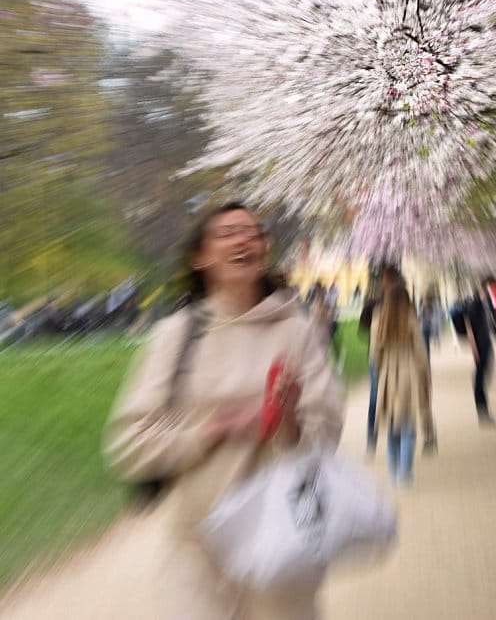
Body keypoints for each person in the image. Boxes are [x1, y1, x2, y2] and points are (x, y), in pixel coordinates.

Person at [105, 202, 343, 620]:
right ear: (200, 258)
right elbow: (130, 443)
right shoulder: (176, 336)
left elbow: (327, 431)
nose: (244, 239)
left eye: (253, 232)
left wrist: (287, 423)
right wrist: (216, 427)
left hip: (282, 534)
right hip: (197, 544)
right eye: (228, 232)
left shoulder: (296, 330)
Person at [372, 285, 432, 487]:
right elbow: (421, 353)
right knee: (408, 426)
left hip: (388, 375)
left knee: (392, 426)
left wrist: (382, 371)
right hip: (409, 375)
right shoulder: (411, 320)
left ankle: (393, 470)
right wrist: (425, 375)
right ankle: (405, 473)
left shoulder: (378, 321)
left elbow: (375, 355)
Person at [359, 263, 402, 453]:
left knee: (393, 397)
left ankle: (393, 437)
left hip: (395, 357)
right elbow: (363, 328)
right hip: (377, 358)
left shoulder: (401, 303)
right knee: (376, 398)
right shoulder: (373, 303)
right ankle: (372, 435)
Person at [464, 278, 496, 426]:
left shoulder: (487, 303)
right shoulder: (476, 303)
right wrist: (473, 347)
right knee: (480, 376)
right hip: (480, 343)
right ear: (487, 287)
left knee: (484, 373)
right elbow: (469, 325)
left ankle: (484, 410)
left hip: (486, 342)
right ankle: (483, 411)